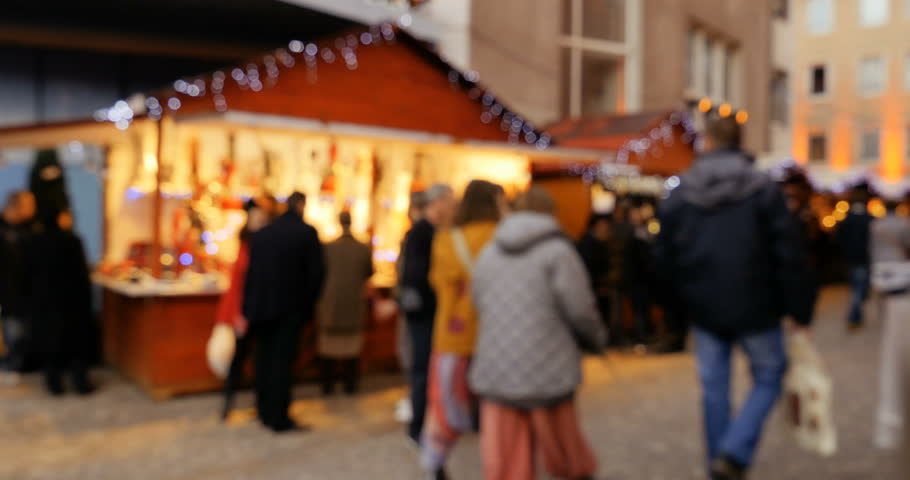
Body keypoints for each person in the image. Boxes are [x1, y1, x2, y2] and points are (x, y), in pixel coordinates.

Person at [654, 116, 810, 480]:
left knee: (714, 389)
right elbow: (788, 252)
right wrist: (799, 309)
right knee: (770, 375)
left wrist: (676, 309)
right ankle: (733, 452)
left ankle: (721, 463)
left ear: (705, 141)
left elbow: (664, 257)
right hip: (758, 304)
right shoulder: (763, 188)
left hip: (704, 305)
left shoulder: (681, 191)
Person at [470, 188, 606, 480]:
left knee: (508, 462)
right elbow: (580, 309)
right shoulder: (559, 252)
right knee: (565, 452)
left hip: (498, 368)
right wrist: (597, 339)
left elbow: (477, 300)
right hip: (548, 366)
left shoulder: (489, 251)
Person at [420, 180, 506, 479]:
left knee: (446, 404)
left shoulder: (446, 238)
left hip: (453, 334)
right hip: (496, 335)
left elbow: (437, 283)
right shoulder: (502, 237)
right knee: (497, 410)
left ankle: (436, 461)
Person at [243, 192, 325, 433]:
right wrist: (308, 304)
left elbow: (252, 275)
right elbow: (316, 276)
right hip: (290, 310)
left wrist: (250, 307)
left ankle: (263, 408)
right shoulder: (306, 234)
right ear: (301, 206)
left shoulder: (262, 235)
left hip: (262, 308)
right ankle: (278, 416)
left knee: (264, 358)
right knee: (282, 362)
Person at [399, 184, 456, 444]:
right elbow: (417, 277)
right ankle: (419, 426)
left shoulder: (432, 232)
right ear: (439, 202)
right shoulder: (423, 233)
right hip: (425, 315)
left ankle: (427, 423)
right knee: (423, 371)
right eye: (451, 201)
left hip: (427, 312)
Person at [27, 209, 96, 395]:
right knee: (76, 344)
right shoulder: (72, 241)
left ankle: (54, 384)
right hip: (72, 302)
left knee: (51, 344)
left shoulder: (34, 241)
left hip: (45, 303)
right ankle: (80, 383)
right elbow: (82, 275)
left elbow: (28, 274)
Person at [219, 199, 272, 420]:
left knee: (259, 360)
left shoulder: (264, 245)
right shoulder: (246, 246)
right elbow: (239, 283)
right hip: (244, 311)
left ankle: (260, 404)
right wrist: (238, 313)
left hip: (259, 311)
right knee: (239, 358)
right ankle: (228, 403)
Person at [317, 211, 374, 396]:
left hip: (330, 303)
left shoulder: (328, 248)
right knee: (351, 347)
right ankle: (350, 385)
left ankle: (328, 385)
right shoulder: (363, 248)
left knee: (329, 347)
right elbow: (369, 273)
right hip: (353, 302)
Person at [869, 200, 910, 450]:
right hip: (899, 269)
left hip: (881, 267)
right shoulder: (904, 224)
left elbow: (871, 248)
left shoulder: (875, 226)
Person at [0, 191, 36, 379]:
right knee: (13, 333)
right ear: (17, 206)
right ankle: (11, 365)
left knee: (20, 333)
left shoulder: (27, 229)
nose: (33, 209)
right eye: (30, 205)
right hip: (8, 295)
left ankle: (19, 365)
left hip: (25, 294)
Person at [836, 186, 873, 331]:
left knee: (858, 287)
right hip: (864, 257)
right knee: (859, 288)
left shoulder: (846, 219)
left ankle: (856, 314)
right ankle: (854, 316)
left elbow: (839, 239)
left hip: (852, 257)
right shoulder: (869, 219)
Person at [577, 215, 612, 333]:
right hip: (594, 284)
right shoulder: (590, 242)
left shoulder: (596, 241)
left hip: (596, 283)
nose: (606, 228)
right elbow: (589, 264)